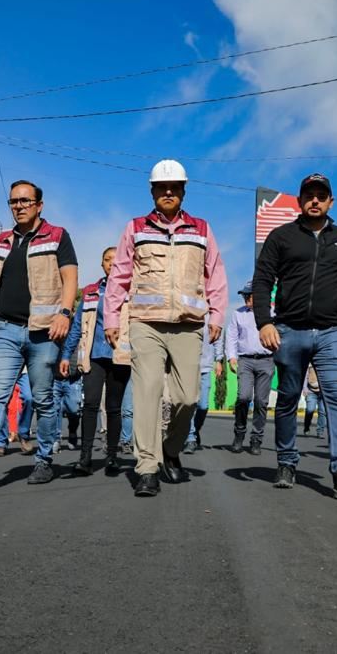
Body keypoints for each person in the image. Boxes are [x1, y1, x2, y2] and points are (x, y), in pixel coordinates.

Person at [103, 159, 228, 497]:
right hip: (146, 324)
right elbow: (119, 277)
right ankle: (146, 466)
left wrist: (217, 316)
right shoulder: (136, 228)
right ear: (153, 191)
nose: (168, 192)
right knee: (147, 393)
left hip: (188, 325)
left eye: (174, 187)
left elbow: (215, 274)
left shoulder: (201, 230)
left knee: (189, 397)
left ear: (184, 192)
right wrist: (112, 318)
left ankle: (170, 449)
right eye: (162, 187)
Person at [252, 172, 337, 500]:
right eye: (309, 195)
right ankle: (287, 461)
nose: (315, 200)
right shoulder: (282, 237)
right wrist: (264, 322)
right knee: (290, 397)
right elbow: (262, 281)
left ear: (331, 201)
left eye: (322, 195)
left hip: (334, 331)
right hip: (290, 331)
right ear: (300, 200)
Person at [0, 180, 78, 490]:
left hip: (43, 330)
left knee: (42, 398)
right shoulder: (2, 241)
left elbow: (70, 275)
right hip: (5, 328)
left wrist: (64, 313)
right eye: (13, 201)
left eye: (25, 200)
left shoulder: (57, 236)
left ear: (39, 204)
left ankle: (44, 460)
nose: (19, 206)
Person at [62, 246, 132, 475]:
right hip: (93, 356)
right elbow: (76, 327)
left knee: (113, 408)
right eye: (107, 259)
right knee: (90, 405)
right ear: (102, 264)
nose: (111, 263)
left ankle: (112, 457)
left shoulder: (132, 290)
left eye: (116, 259)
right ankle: (85, 458)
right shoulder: (91, 292)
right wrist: (66, 355)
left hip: (120, 356)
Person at [224, 281, 274, 455]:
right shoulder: (238, 314)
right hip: (245, 360)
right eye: (244, 295)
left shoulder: (272, 313)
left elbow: (280, 334)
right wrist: (231, 356)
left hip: (266, 361)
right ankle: (239, 433)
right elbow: (231, 336)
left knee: (261, 401)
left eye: (249, 295)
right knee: (244, 397)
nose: (246, 299)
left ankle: (256, 439)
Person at [184, 312, 223, 454]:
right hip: (188, 367)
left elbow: (218, 338)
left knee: (203, 405)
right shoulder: (189, 312)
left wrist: (218, 360)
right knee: (190, 404)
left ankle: (194, 430)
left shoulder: (212, 316)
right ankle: (190, 439)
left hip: (206, 367)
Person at [302, 366, 325, 438]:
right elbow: (305, 376)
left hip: (323, 392)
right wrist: (305, 388)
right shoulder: (310, 362)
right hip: (311, 391)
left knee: (322, 412)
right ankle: (306, 428)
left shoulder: (326, 363)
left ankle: (320, 431)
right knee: (310, 410)